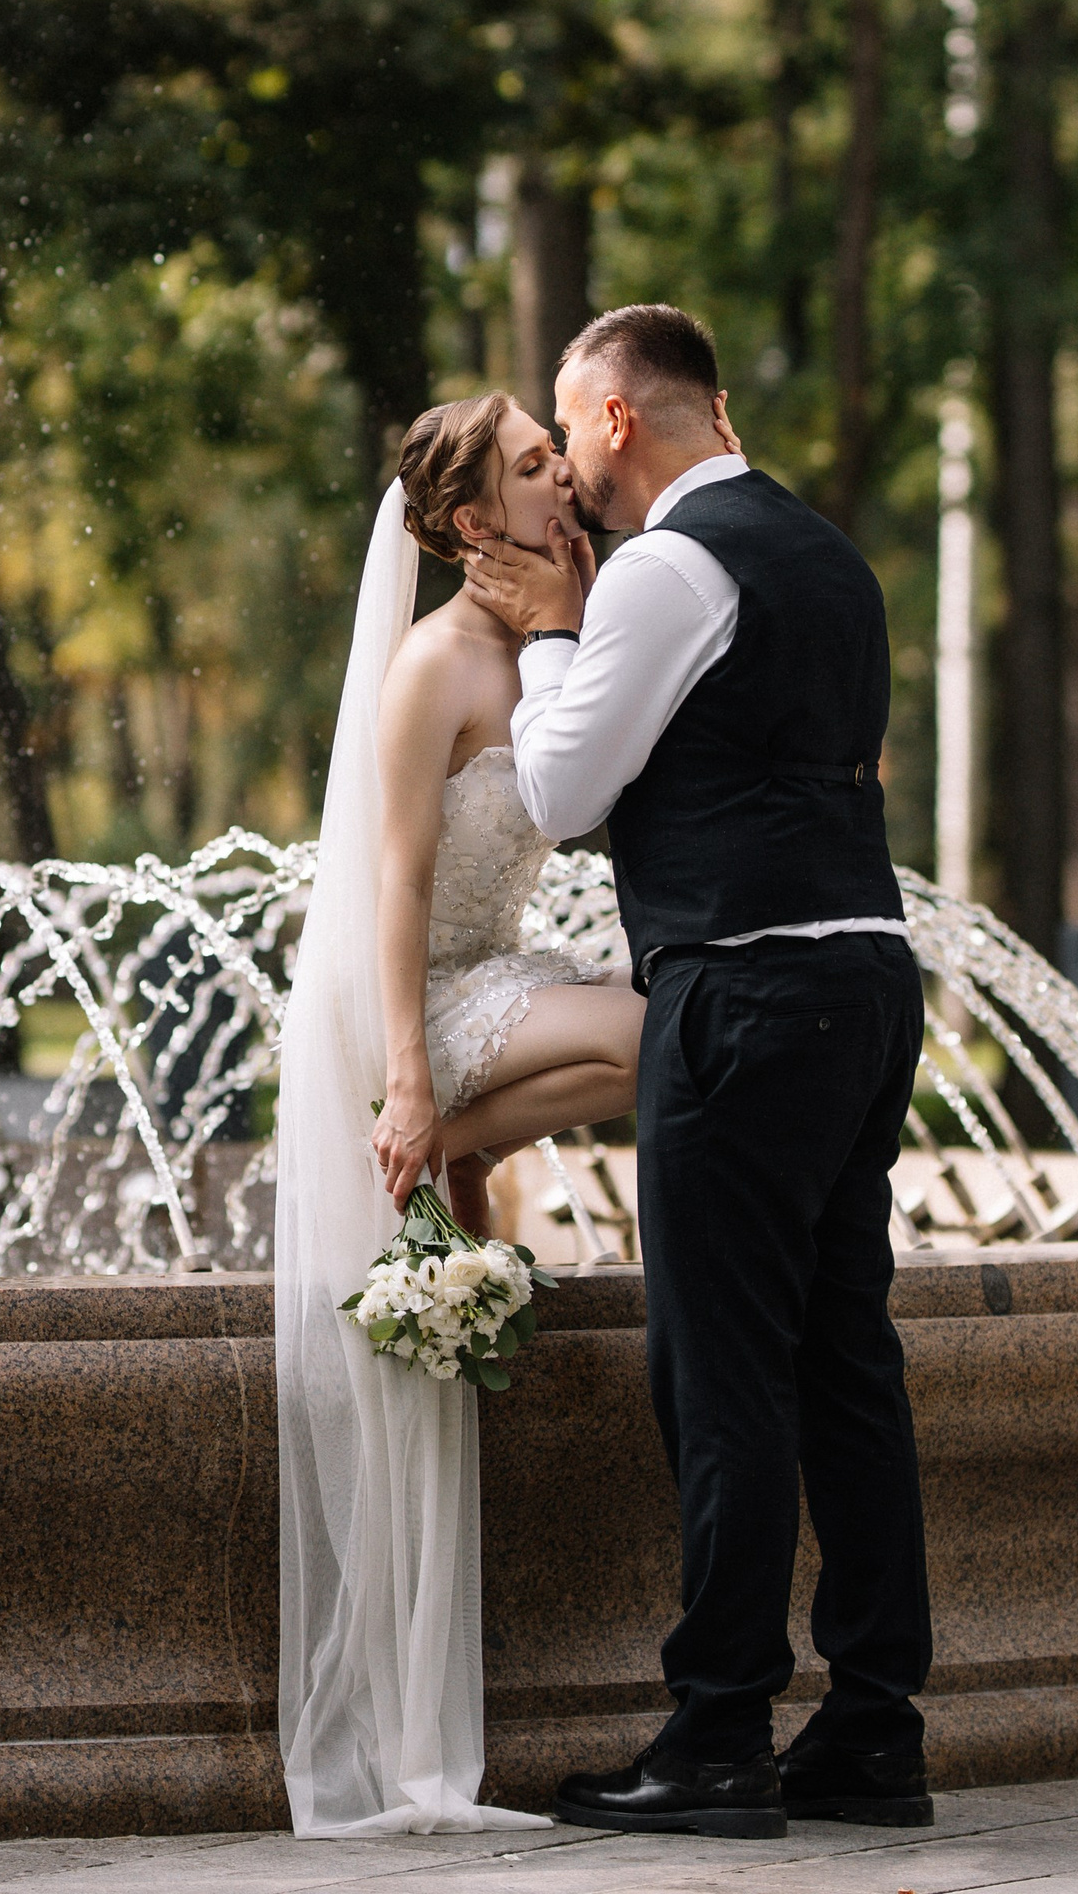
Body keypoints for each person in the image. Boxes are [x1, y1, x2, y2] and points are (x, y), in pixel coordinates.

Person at [462, 302, 933, 1845]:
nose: (568, 490)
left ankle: (719, 1732)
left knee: (720, 1366)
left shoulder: (668, 564)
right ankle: (871, 1729)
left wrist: (548, 634)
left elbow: (565, 784)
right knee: (844, 1362)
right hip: (867, 973)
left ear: (613, 419)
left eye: (564, 436)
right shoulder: (830, 557)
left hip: (744, 985)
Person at [273, 394, 645, 1837]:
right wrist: (415, 1079)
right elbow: (399, 887)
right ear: (474, 518)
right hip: (425, 995)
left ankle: (484, 1145)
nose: (566, 471)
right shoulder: (433, 666)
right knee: (669, 1041)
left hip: (508, 971)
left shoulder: (562, 623)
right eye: (538, 463)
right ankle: (462, 1126)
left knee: (667, 1046)